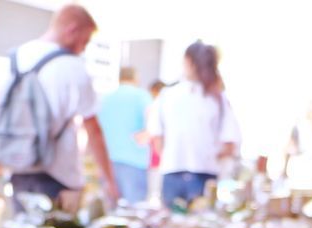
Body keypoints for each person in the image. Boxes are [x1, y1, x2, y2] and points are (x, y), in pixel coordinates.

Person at [1, 4, 118, 207]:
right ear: (72, 30)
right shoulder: (74, 66)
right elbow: (93, 129)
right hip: (58, 176)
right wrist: (109, 180)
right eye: (86, 41)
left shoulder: (15, 57)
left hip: (18, 168)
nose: (84, 48)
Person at [149, 41, 240, 210]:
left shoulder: (168, 96)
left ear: (189, 62)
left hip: (174, 172)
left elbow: (157, 139)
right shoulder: (217, 99)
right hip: (204, 174)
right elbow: (230, 145)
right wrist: (207, 154)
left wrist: (173, 154)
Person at [96, 67, 151, 204]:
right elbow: (152, 124)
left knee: (109, 212)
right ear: (135, 78)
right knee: (134, 211)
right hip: (134, 161)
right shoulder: (141, 96)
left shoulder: (105, 98)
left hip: (107, 161)